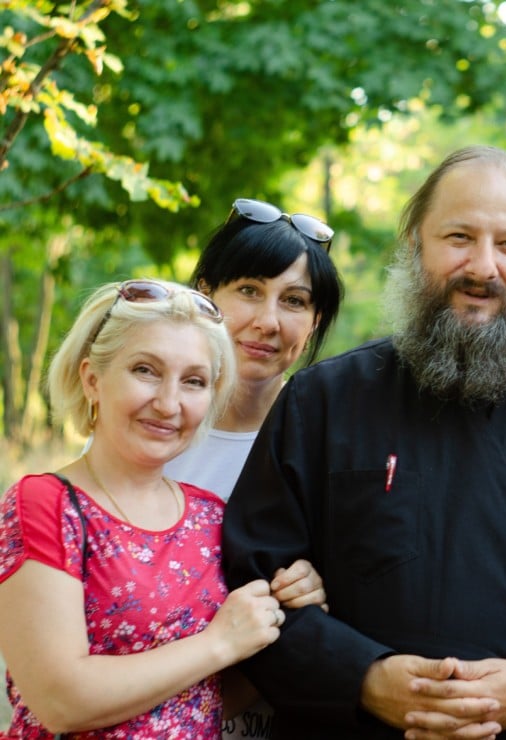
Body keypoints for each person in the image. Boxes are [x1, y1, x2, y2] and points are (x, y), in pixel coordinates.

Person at [221, 145, 506, 739]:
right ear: (415, 244)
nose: (483, 267)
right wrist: (363, 678)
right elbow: (253, 585)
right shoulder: (321, 402)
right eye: (459, 237)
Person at [0, 279, 285, 738]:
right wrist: (219, 643)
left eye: (193, 381)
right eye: (146, 370)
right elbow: (60, 701)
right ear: (92, 379)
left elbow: (209, 698)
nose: (169, 403)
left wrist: (288, 603)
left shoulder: (212, 517)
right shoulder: (46, 505)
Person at [163, 197, 344, 739]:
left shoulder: (333, 445)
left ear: (314, 322)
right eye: (248, 290)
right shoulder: (152, 431)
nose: (268, 321)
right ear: (205, 294)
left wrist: (327, 584)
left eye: (294, 301)